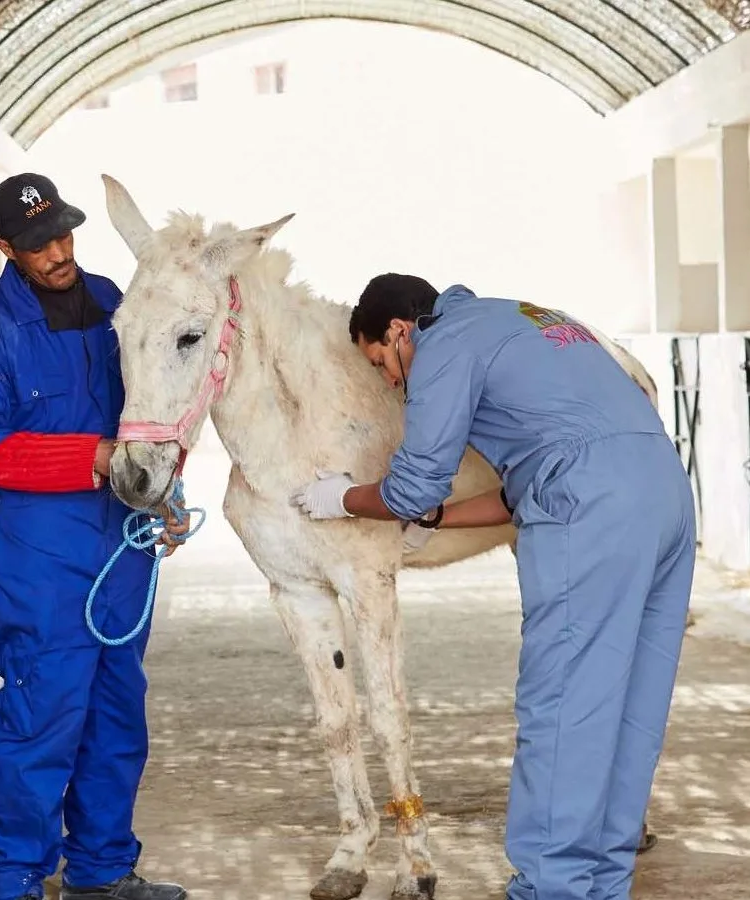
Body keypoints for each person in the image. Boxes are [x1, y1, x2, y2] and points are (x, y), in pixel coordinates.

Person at [291, 273, 695, 900]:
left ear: (399, 331)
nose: (390, 381)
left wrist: (341, 498)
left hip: (589, 506)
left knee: (563, 705)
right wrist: (437, 520)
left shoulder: (443, 344)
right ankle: (602, 884)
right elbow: (529, 482)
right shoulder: (527, 319)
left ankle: (551, 888)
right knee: (630, 705)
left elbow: (412, 485)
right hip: (664, 496)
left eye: (381, 363)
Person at [0, 172, 189, 900]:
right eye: (35, 243)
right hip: (43, 560)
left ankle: (102, 870)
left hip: (123, 550)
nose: (55, 251)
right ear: (4, 248)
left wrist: (164, 494)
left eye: (60, 233)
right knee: (40, 721)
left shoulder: (114, 303)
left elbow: (151, 409)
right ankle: (13, 880)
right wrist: (92, 458)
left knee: (116, 720)